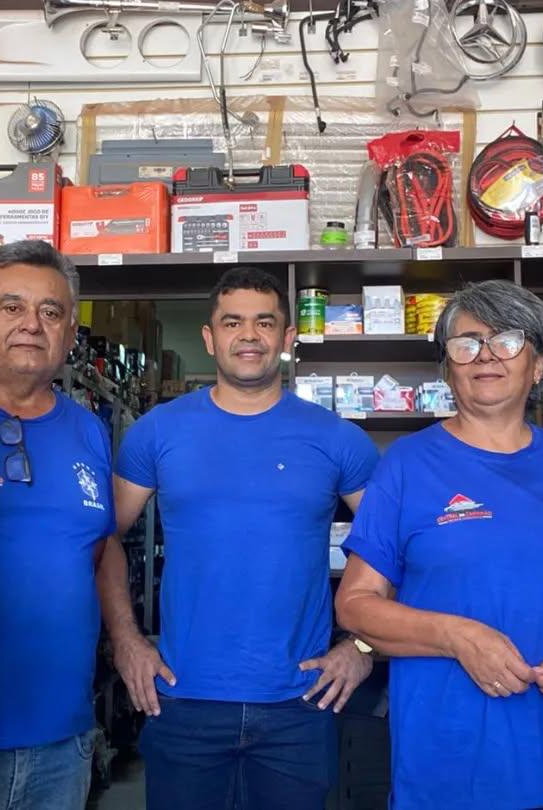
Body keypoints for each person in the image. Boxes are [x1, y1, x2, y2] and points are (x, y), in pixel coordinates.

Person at [335, 279, 543, 810]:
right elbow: (356, 606)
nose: (485, 356)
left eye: (506, 341)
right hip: (454, 765)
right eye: (466, 343)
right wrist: (457, 636)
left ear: (540, 365)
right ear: (448, 367)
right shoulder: (407, 466)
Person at [98, 266, 378, 810]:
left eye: (264, 322)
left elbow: (396, 551)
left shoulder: (338, 439)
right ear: (210, 337)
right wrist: (127, 643)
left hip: (300, 702)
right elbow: (102, 537)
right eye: (232, 322)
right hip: (183, 700)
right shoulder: (158, 431)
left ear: (287, 338)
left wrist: (362, 647)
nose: (248, 335)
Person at [0, 241, 114, 810]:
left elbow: (96, 547)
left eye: (51, 312)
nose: (32, 325)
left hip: (63, 739)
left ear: (68, 334)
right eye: (11, 307)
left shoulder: (90, 432)